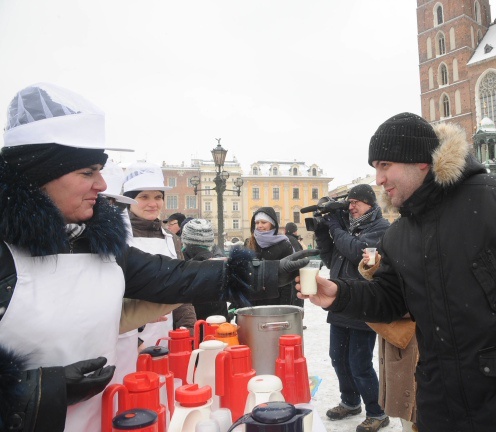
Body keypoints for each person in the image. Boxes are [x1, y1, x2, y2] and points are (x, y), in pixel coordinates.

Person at [0, 82, 316, 432]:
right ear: (40, 176)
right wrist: (37, 391)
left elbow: (174, 276)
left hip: (107, 417)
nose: (102, 185)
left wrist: (266, 273)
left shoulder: (99, 244)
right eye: (87, 172)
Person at [298, 112, 496, 431]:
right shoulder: (399, 235)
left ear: (419, 161)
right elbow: (392, 298)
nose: (378, 179)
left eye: (384, 165)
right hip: (441, 407)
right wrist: (341, 294)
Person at [314, 183, 390, 432]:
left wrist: (335, 227)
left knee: (359, 363)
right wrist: (323, 231)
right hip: (340, 302)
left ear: (370, 204)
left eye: (356, 202)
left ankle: (377, 412)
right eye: (350, 202)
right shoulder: (347, 228)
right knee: (338, 359)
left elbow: (357, 251)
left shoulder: (380, 228)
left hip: (363, 303)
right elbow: (331, 258)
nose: (351, 206)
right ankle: (350, 401)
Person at [122, 161, 197, 349]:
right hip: (124, 340)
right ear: (129, 199)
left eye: (158, 196)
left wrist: (188, 331)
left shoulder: (171, 238)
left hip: (165, 339)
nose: (152, 203)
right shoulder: (116, 237)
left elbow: (182, 289)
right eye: (143, 197)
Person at [359, 250, 418, 432]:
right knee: (408, 416)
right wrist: (376, 267)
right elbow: (391, 286)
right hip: (400, 338)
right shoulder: (401, 234)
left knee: (419, 410)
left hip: (421, 338)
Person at [182, 218, 230, 321]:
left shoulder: (180, 262)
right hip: (219, 324)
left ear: (185, 239)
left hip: (190, 324)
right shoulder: (219, 262)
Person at [246, 207, 296, 306]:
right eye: (257, 222)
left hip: (274, 301)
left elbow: (288, 280)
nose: (259, 225)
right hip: (251, 301)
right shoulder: (249, 242)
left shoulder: (284, 244)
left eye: (264, 222)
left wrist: (284, 306)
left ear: (272, 224)